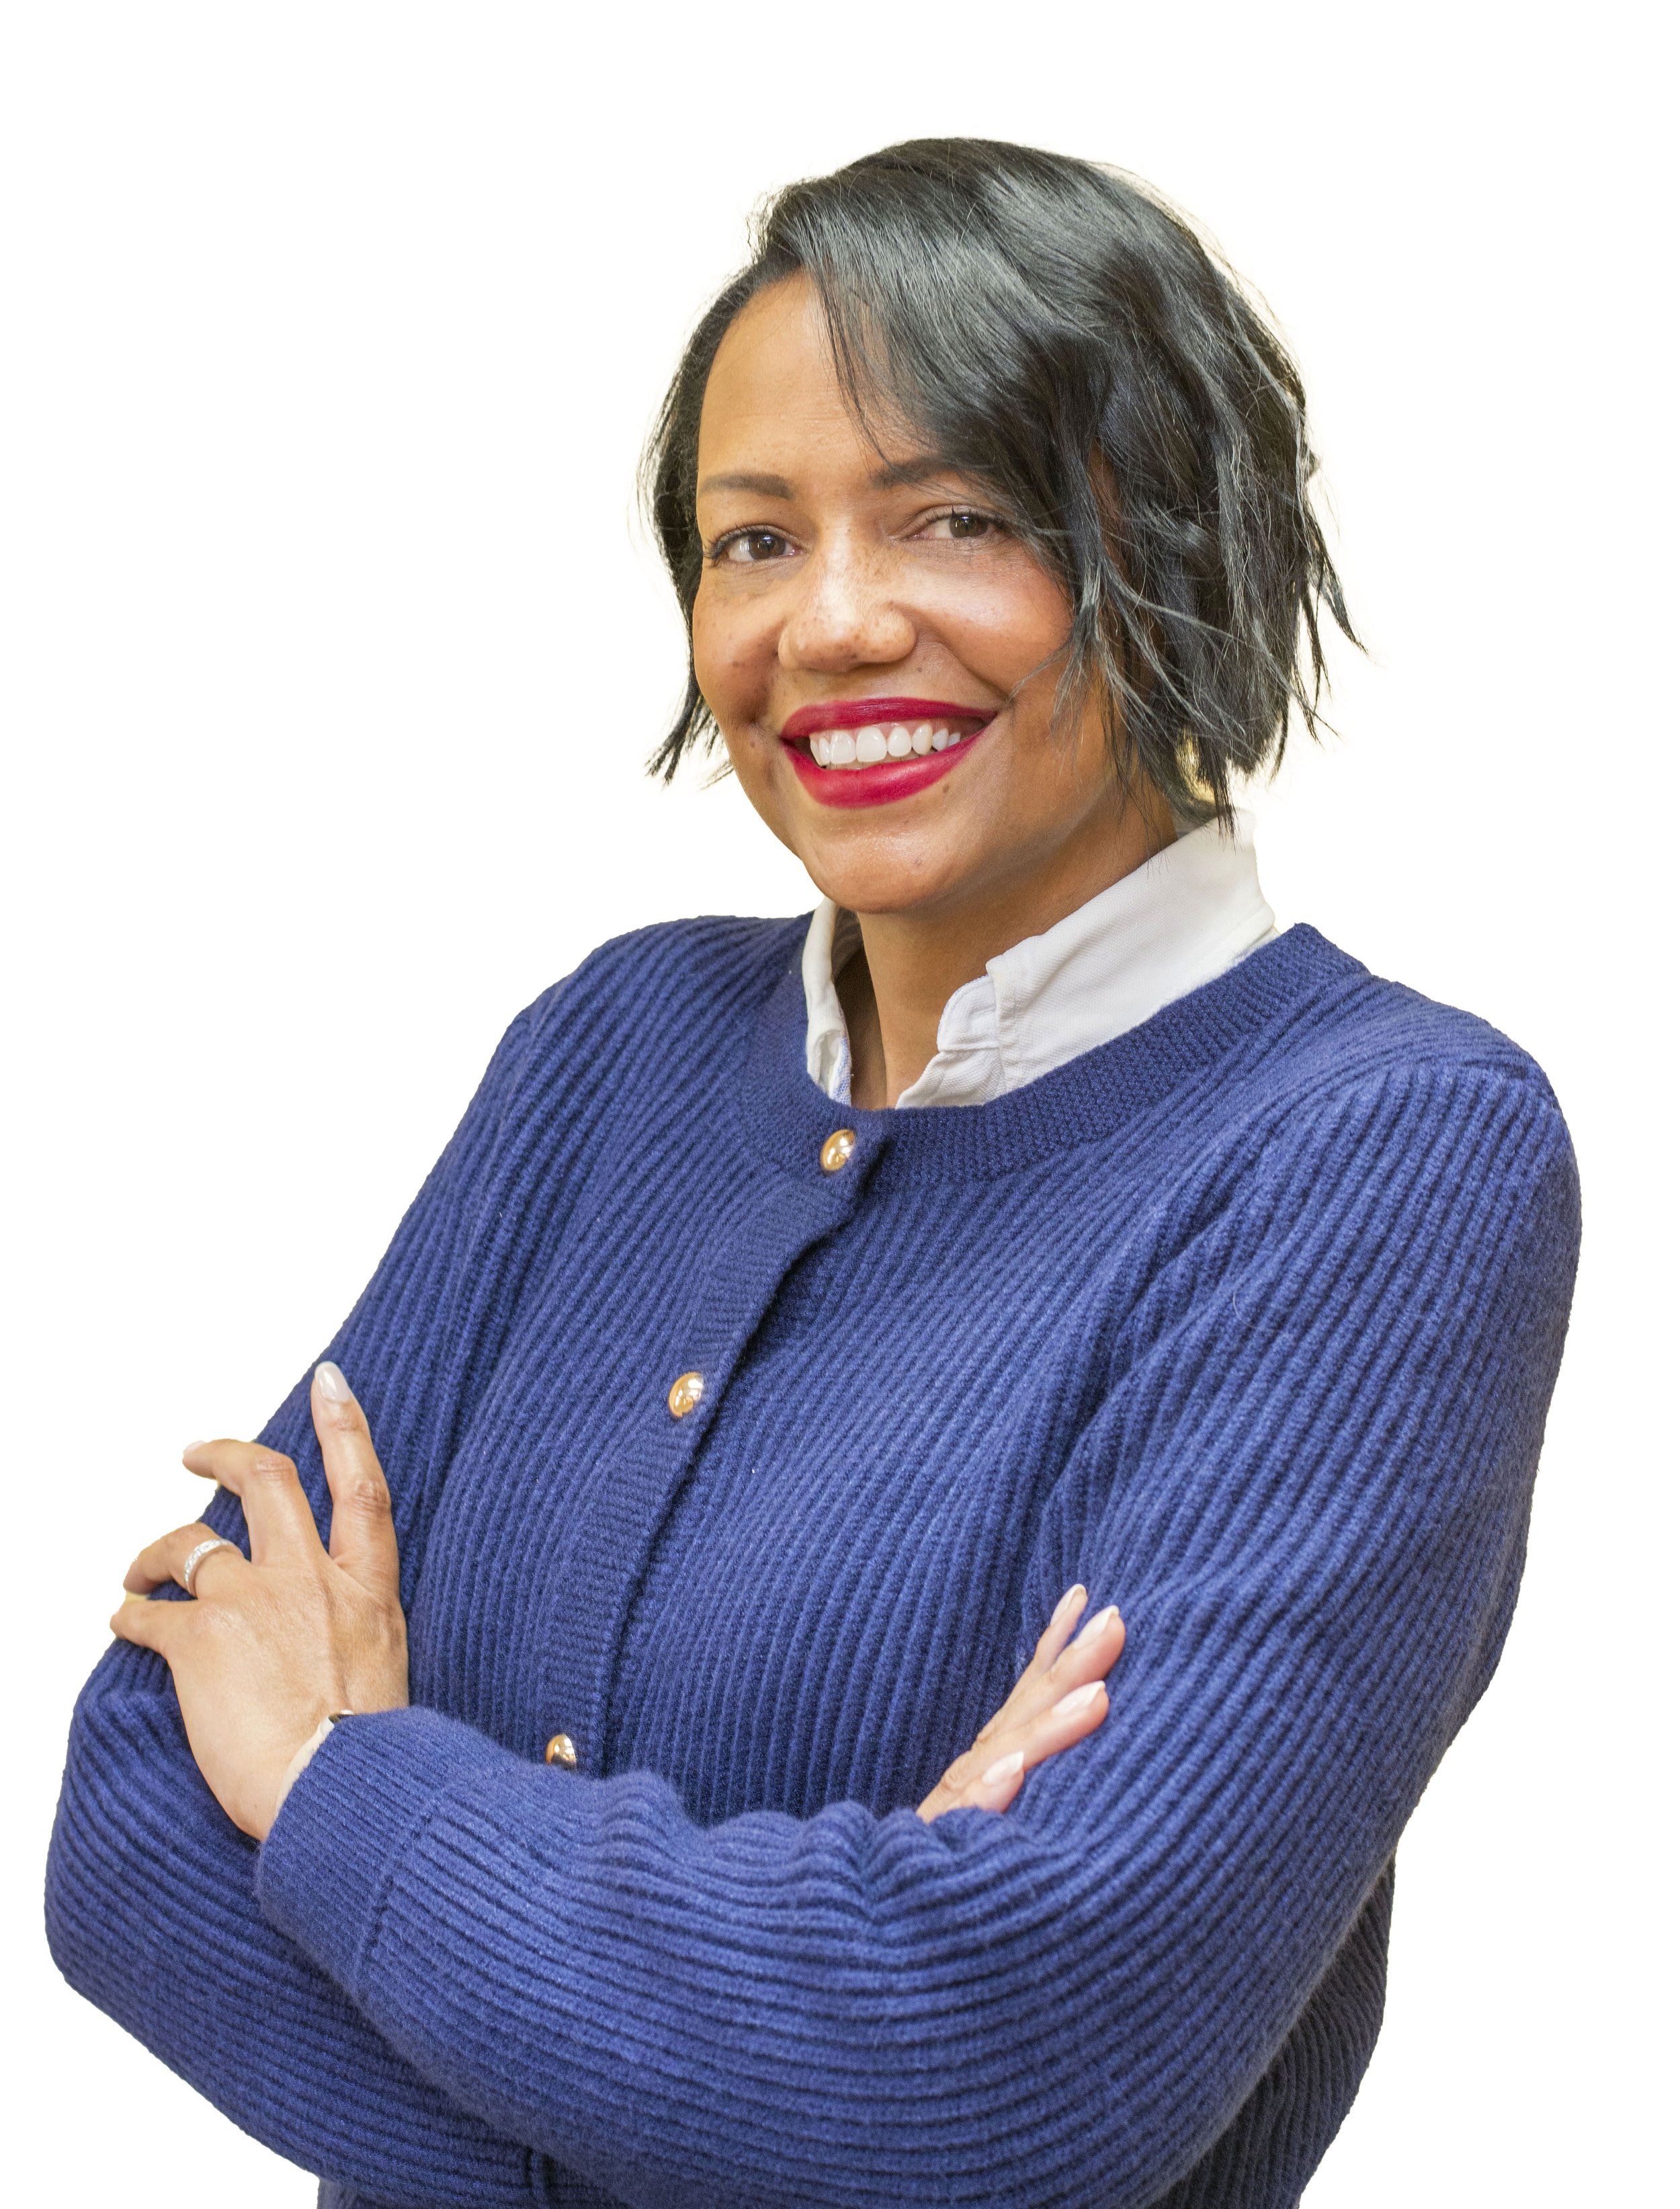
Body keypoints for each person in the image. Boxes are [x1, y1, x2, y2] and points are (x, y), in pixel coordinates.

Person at [46, 138, 1579, 2209]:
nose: (831, 624)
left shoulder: (1375, 1156)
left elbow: (1009, 2071)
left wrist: (331, 1779)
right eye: (751, 540)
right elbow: (133, 1814)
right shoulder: (614, 1053)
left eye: (955, 516)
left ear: (1177, 542)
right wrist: (776, 2075)